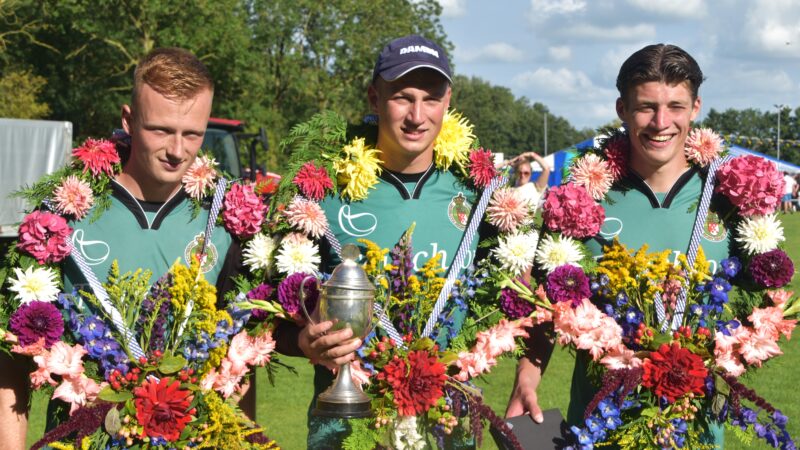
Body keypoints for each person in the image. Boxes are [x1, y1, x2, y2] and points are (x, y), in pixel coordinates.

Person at [0, 47, 241, 449]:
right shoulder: (64, 213)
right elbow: (13, 350)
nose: (177, 150)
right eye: (161, 130)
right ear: (128, 120)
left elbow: (237, 355)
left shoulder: (224, 219)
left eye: (193, 134)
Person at [271, 34, 492, 449]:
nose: (416, 115)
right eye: (402, 97)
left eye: (430, 98)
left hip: (450, 425)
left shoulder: (481, 194)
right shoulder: (321, 193)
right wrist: (304, 342)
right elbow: (269, 316)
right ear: (374, 98)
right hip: (346, 427)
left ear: (448, 101)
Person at [506, 44, 731, 446]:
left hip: (698, 429)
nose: (661, 122)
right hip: (599, 425)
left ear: (696, 107)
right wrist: (527, 375)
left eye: (675, 106)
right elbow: (544, 306)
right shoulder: (582, 197)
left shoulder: (731, 195)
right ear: (622, 109)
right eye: (646, 107)